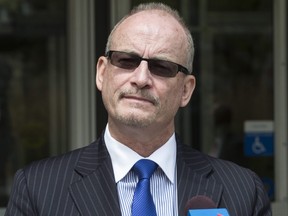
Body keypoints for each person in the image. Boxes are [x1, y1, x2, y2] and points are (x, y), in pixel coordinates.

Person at [5, 2, 271, 216]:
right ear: (101, 73)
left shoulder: (243, 192)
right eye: (126, 60)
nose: (141, 78)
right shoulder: (38, 190)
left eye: (161, 66)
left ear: (186, 90)